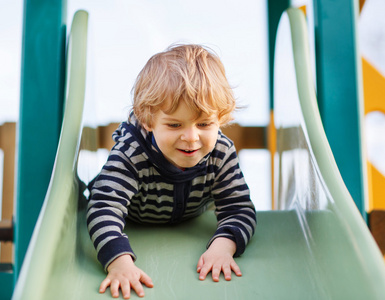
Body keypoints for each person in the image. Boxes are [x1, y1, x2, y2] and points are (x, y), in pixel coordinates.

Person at [87, 44, 257, 299]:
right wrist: (119, 262)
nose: (191, 137)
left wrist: (223, 247)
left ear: (219, 119)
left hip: (190, 218)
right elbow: (104, 206)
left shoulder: (221, 153)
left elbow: (239, 207)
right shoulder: (131, 154)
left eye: (204, 123)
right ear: (148, 120)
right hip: (134, 220)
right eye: (175, 124)